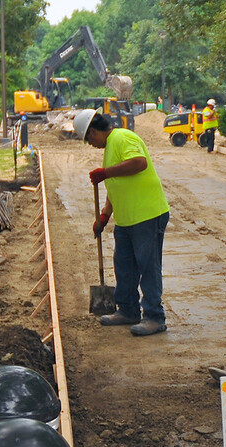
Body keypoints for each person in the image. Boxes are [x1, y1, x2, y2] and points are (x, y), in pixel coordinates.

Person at [73, 108, 171, 337]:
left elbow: (139, 163)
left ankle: (155, 317)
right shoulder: (110, 147)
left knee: (148, 267)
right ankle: (128, 310)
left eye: (89, 139)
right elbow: (116, 184)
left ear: (95, 131)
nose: (91, 144)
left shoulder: (123, 137)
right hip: (127, 218)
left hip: (147, 214)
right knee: (124, 266)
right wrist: (105, 215)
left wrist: (105, 172)